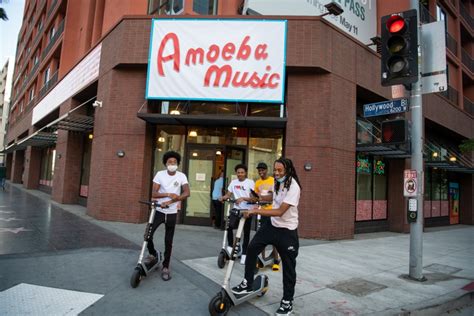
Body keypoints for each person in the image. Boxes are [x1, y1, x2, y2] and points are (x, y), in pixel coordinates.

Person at [232, 157, 301, 315]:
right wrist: (259, 198)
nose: (276, 173)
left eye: (279, 170)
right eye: (275, 170)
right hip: (272, 225)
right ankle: (247, 283)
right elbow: (275, 198)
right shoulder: (278, 183)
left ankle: (287, 301)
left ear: (288, 170)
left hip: (287, 231)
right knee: (251, 248)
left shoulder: (294, 187)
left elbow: (280, 211)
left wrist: (255, 210)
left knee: (289, 268)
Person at [148, 151, 190, 281]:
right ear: (165, 163)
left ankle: (166, 266)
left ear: (177, 163)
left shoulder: (181, 176)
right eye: (170, 162)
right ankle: (154, 254)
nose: (172, 164)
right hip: (159, 210)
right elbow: (154, 193)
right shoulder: (160, 175)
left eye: (174, 162)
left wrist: (171, 201)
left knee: (168, 241)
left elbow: (187, 193)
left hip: (172, 212)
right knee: (148, 235)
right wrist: (168, 194)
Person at [219, 164, 255, 265]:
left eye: (242, 172)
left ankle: (244, 254)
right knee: (229, 227)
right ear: (236, 173)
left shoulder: (250, 182)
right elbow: (228, 194)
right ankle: (231, 247)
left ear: (245, 173)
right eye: (238, 172)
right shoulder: (233, 182)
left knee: (246, 233)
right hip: (236, 210)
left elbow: (254, 198)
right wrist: (223, 197)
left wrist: (243, 198)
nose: (240, 174)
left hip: (247, 211)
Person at [254, 162, 280, 271]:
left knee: (274, 239)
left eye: (262, 170)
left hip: (273, 212)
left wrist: (267, 196)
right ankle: (262, 259)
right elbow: (255, 197)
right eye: (259, 170)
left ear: (266, 170)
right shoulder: (257, 182)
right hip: (262, 213)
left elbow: (277, 195)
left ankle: (276, 260)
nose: (261, 172)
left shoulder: (273, 180)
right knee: (261, 237)